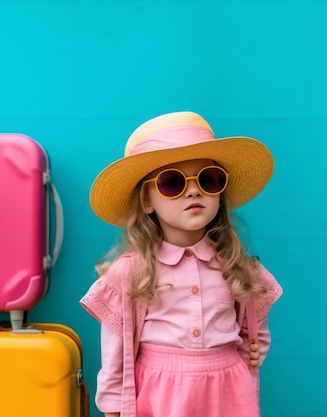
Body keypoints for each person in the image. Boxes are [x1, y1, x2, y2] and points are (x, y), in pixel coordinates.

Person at [80, 111, 282, 417]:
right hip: (160, 397)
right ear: (147, 202)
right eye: (172, 182)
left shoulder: (235, 264)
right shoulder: (131, 272)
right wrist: (112, 409)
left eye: (208, 179)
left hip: (227, 394)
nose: (193, 190)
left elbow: (255, 329)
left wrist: (238, 364)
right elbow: (115, 355)